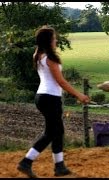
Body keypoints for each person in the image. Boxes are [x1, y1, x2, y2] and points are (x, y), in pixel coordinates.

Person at [17, 25, 90, 178]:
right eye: (54, 38)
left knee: (57, 131)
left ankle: (59, 166)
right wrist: (79, 95)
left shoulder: (38, 56)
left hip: (42, 97)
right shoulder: (50, 59)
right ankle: (26, 162)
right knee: (51, 133)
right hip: (50, 98)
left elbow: (56, 80)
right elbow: (61, 82)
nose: (56, 40)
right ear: (48, 41)